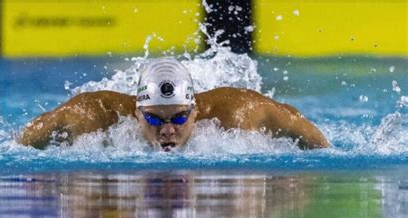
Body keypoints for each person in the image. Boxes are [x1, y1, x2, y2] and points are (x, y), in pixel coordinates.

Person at [19, 57, 329, 151]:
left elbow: (309, 136)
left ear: (196, 111)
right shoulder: (88, 117)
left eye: (179, 118)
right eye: (154, 119)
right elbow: (18, 147)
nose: (168, 130)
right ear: (136, 113)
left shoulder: (239, 113)